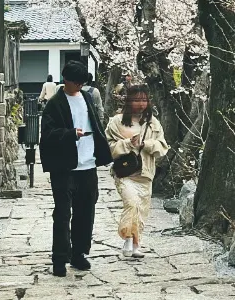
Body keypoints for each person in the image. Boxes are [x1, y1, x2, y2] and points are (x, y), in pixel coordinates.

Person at [39, 61, 113, 277]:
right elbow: (48, 135)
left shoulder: (88, 97)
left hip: (88, 165)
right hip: (64, 167)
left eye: (82, 82)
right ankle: (59, 259)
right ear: (66, 80)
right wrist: (71, 134)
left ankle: (79, 254)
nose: (79, 86)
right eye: (76, 82)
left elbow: (97, 124)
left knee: (86, 211)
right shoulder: (55, 103)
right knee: (62, 213)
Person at [105, 85, 169, 259]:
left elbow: (162, 147)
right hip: (125, 172)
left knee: (140, 210)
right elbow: (108, 148)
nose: (140, 104)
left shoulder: (153, 123)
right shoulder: (116, 122)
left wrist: (144, 145)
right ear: (128, 101)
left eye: (144, 100)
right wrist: (127, 143)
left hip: (145, 173)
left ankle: (135, 244)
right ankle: (127, 239)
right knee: (131, 203)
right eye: (136, 100)